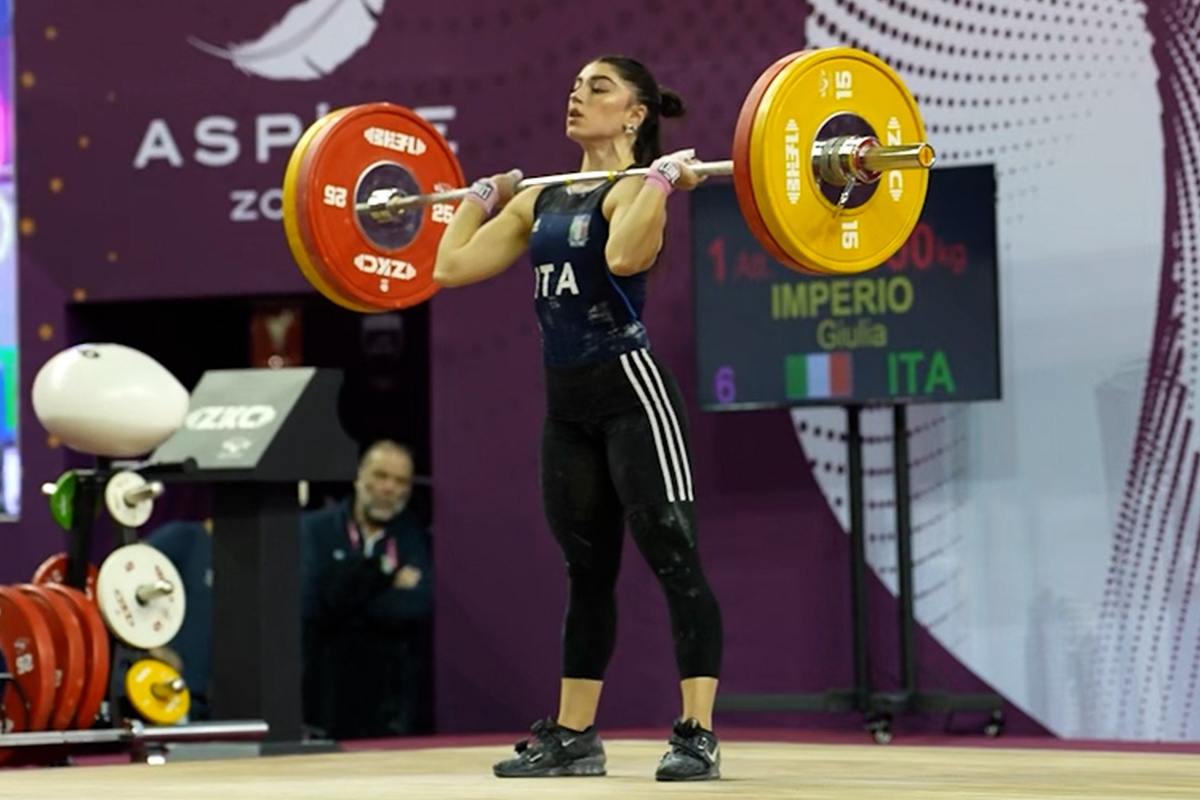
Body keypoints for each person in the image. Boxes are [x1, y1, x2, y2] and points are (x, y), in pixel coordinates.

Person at [433, 55, 723, 782]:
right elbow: (451, 267)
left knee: (673, 556)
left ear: (635, 115)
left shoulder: (633, 191)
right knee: (585, 571)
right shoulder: (543, 198)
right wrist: (480, 195)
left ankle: (696, 734)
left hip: (632, 391)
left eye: (599, 88)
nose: (577, 95)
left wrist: (659, 180)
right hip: (567, 406)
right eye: (574, 85)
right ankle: (574, 736)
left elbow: (625, 258)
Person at [300, 439, 433, 739]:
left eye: (400, 481)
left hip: (387, 707)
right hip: (323, 699)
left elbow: (415, 606)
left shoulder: (412, 539)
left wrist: (346, 591)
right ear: (359, 475)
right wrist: (386, 579)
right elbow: (313, 603)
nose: (389, 488)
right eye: (380, 475)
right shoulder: (315, 530)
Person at [142, 517, 214, 721]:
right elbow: (123, 574)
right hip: (168, 695)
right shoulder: (185, 538)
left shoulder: (256, 559)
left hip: (217, 704)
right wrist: (152, 648)